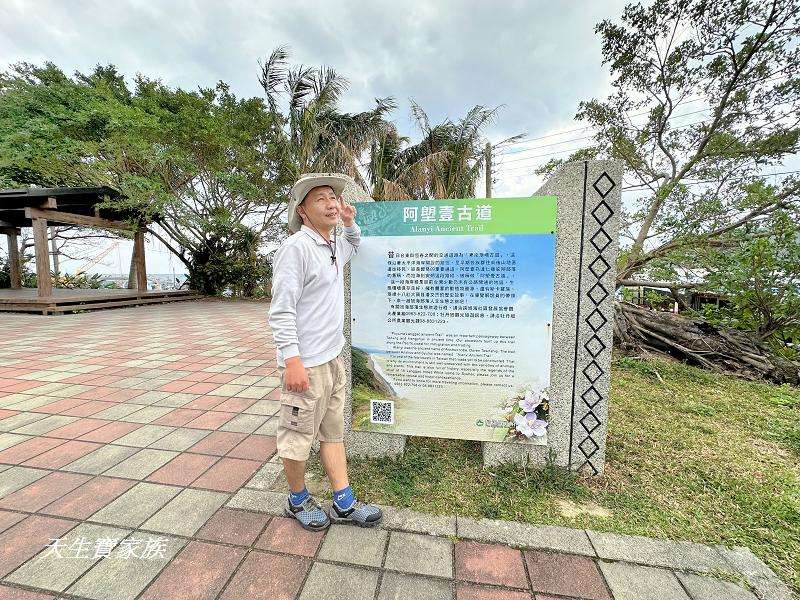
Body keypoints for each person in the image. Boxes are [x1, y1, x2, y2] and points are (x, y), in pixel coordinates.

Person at [268, 172, 383, 531]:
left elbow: (355, 242)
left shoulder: (331, 245)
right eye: (321, 199)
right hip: (306, 366)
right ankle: (297, 499)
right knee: (297, 438)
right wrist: (293, 362)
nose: (332, 202)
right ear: (302, 211)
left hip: (333, 359)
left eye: (334, 197)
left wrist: (349, 223)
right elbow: (281, 310)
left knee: (332, 432)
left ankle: (344, 503)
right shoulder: (295, 250)